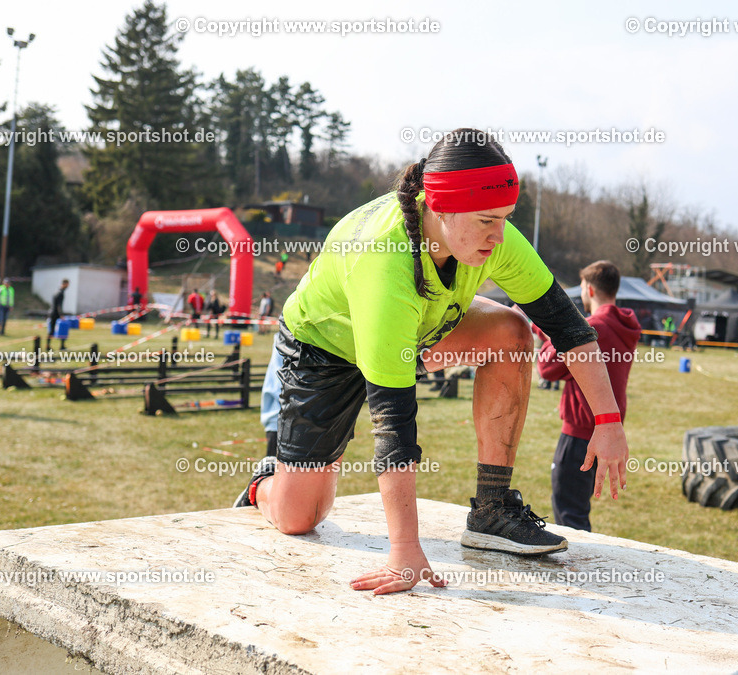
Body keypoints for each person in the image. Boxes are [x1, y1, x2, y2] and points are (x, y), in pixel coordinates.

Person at [232, 129, 631, 595]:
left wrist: (608, 420)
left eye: (506, 218)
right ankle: (266, 480)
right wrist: (405, 549)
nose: (499, 235)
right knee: (300, 519)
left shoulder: (488, 233)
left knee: (512, 332)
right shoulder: (384, 264)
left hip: (418, 328)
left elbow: (567, 326)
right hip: (326, 349)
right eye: (487, 220)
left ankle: (492, 510)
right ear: (440, 208)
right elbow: (394, 423)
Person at [535, 260, 640, 532]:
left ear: (589, 290)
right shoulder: (623, 325)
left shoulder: (591, 327)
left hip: (580, 430)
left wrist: (552, 332)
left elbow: (547, 367)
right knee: (576, 507)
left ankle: (578, 573)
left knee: (568, 512)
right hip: (606, 427)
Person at [47, 279, 69, 351]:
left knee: (52, 330)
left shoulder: (57, 292)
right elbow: (59, 305)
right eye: (67, 284)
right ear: (64, 284)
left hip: (52, 312)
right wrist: (61, 315)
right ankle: (61, 346)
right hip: (55, 314)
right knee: (62, 328)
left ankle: (48, 345)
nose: (68, 286)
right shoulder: (60, 293)